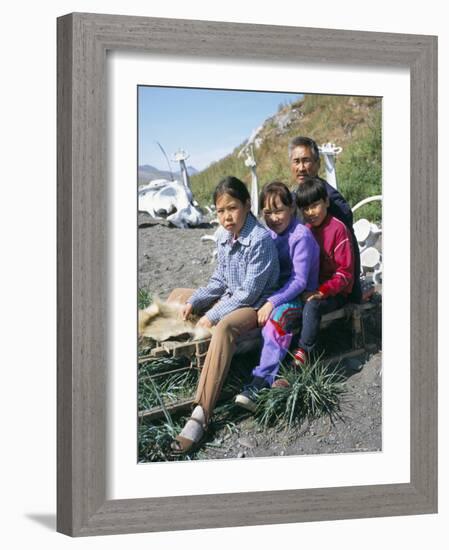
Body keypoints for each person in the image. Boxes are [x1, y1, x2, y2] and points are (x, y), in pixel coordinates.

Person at [169, 176, 280, 454]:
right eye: (220, 211)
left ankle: (201, 413)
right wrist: (194, 301)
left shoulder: (260, 239)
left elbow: (249, 293)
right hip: (232, 297)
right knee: (178, 296)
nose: (226, 217)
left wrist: (214, 314)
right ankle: (162, 346)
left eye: (232, 208)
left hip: (255, 307)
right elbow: (219, 279)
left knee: (223, 327)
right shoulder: (223, 236)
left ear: (247, 204)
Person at [234, 182, 320, 411]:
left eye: (279, 210)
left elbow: (300, 280)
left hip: (298, 296)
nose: (274, 218)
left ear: (292, 208)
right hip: (275, 290)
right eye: (268, 213)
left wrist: (272, 302)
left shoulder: (300, 236)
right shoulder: (269, 235)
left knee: (276, 322)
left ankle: (262, 380)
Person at [288, 136, 362, 303]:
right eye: (296, 161)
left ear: (318, 164)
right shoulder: (293, 198)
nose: (301, 168)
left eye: (306, 161)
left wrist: (352, 294)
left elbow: (349, 251)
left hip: (331, 287)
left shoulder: (333, 202)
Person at [293, 176, 355, 362]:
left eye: (315, 205)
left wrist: (322, 291)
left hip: (336, 293)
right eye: (305, 208)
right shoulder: (306, 229)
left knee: (312, 306)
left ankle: (303, 353)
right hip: (312, 288)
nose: (311, 212)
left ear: (327, 202)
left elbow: (345, 273)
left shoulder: (338, 229)